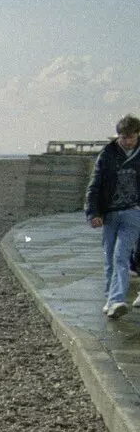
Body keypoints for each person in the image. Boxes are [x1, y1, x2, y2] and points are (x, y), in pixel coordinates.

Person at [86, 114, 140, 319]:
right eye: (123, 137)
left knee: (121, 255)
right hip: (109, 213)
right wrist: (93, 213)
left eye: (131, 137)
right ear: (118, 136)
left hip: (134, 212)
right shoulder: (108, 154)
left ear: (137, 135)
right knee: (109, 257)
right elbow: (95, 184)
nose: (127, 141)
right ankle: (110, 299)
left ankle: (117, 299)